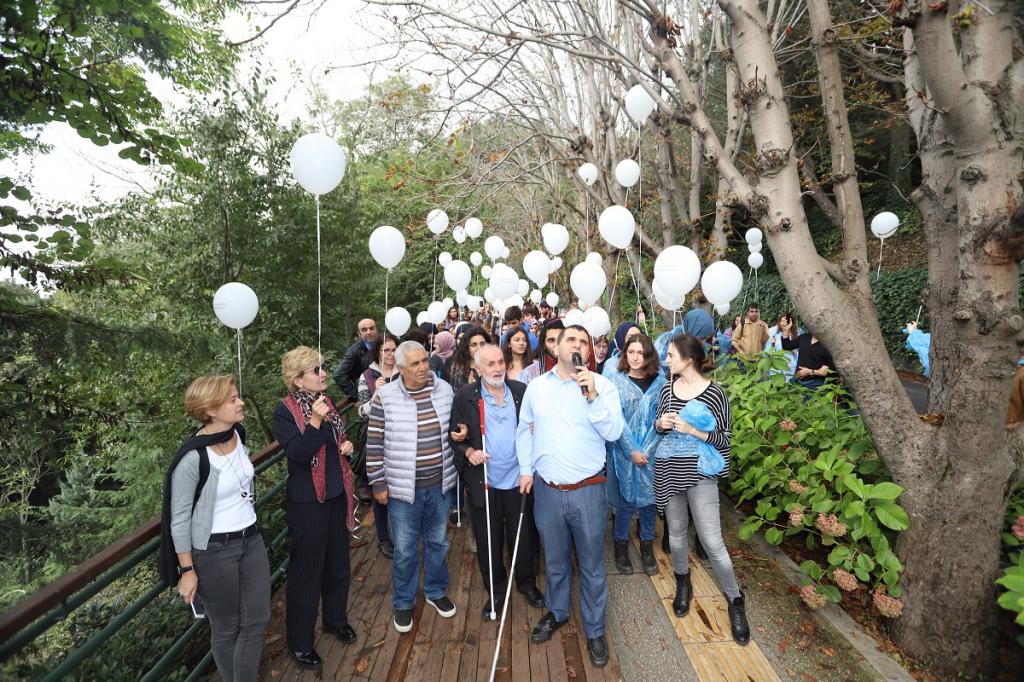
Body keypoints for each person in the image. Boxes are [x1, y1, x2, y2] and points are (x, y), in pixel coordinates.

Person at [516, 324, 625, 668]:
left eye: (584, 341)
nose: (578, 344)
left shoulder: (602, 386)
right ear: (556, 348)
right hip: (547, 491)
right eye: (571, 339)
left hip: (588, 491)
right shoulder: (536, 387)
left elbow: (614, 432)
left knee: (592, 565)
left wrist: (591, 396)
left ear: (589, 351)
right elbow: (524, 430)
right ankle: (558, 611)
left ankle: (594, 629)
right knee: (555, 560)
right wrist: (525, 468)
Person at [168, 375, 270, 682]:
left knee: (256, 621)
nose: (241, 403)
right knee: (227, 628)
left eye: (238, 396)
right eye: (233, 399)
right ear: (211, 410)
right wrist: (187, 570)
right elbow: (179, 518)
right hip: (213, 552)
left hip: (251, 541)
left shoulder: (238, 433)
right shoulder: (193, 457)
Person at [654, 334, 749, 645]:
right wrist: (662, 423)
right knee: (676, 533)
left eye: (670, 355)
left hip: (701, 473)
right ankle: (683, 582)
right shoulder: (667, 388)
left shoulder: (715, 393)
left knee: (711, 540)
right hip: (670, 468)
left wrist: (694, 430)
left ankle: (735, 600)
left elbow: (724, 440)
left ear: (689, 358)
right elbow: (656, 425)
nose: (666, 360)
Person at [272, 348, 357, 670]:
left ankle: (335, 620)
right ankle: (301, 642)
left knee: (338, 564)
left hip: (336, 495)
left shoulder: (326, 401)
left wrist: (344, 445)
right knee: (306, 573)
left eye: (322, 367)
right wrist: (316, 420)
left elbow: (334, 441)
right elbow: (298, 454)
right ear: (297, 380)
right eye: (314, 370)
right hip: (308, 503)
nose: (323, 373)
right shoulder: (285, 412)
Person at [365, 341, 459, 633]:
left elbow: (456, 425)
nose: (422, 368)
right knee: (405, 549)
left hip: (440, 484)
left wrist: (462, 431)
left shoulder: (444, 389)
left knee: (438, 542)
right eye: (415, 364)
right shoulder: (386, 396)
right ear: (401, 368)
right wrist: (377, 482)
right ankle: (404, 602)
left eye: (424, 362)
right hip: (403, 489)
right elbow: (374, 441)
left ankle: (435, 590)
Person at [450, 344, 546, 619]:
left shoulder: (519, 391)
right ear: (477, 369)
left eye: (500, 362)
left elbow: (534, 428)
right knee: (488, 540)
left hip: (518, 479)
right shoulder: (465, 397)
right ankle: (497, 591)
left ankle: (526, 583)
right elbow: (454, 438)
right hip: (485, 482)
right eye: (490, 364)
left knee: (524, 536)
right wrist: (468, 451)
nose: (498, 368)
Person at [607, 334, 665, 576]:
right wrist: (631, 451)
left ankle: (647, 545)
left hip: (652, 451)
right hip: (623, 452)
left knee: (650, 502)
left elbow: (663, 418)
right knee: (626, 502)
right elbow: (616, 420)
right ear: (625, 354)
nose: (635, 357)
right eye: (631, 352)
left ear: (649, 355)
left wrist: (647, 450)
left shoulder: (661, 382)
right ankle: (620, 544)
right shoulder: (615, 381)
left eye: (641, 353)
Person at [357, 333, 399, 559]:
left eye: (393, 350)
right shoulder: (368, 376)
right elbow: (362, 411)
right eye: (386, 350)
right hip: (377, 441)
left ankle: (402, 535)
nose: (390, 355)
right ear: (378, 352)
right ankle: (383, 537)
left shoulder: (404, 372)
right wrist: (377, 396)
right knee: (379, 491)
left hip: (401, 440)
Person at [779, 317, 834, 389]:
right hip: (797, 381)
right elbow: (787, 346)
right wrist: (786, 331)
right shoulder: (804, 337)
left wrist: (809, 372)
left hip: (815, 385)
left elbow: (828, 371)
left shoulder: (828, 344)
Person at [333, 319, 378, 402]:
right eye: (364, 330)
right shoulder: (354, 351)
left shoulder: (384, 345)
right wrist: (356, 398)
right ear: (359, 333)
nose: (369, 332)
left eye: (371, 328)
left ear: (376, 330)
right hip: (369, 398)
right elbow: (338, 375)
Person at [444, 325, 492, 391]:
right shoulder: (458, 368)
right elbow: (456, 396)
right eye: (474, 345)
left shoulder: (495, 367)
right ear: (467, 348)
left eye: (482, 344)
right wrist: (470, 388)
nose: (479, 348)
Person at [765, 312, 799, 379]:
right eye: (782, 321)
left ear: (791, 323)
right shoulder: (775, 336)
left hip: (790, 369)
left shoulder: (796, 337)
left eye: (786, 321)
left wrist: (791, 347)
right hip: (776, 370)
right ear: (779, 323)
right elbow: (768, 354)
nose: (784, 323)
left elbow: (801, 356)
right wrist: (772, 345)